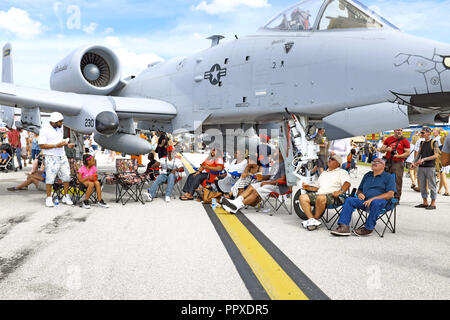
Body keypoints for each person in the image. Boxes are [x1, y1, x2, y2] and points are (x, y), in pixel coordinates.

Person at [330, 158, 396, 237]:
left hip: (381, 203)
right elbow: (360, 189)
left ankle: (368, 228)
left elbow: (390, 194)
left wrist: (373, 199)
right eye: (373, 161)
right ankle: (344, 227)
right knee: (350, 200)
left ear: (383, 166)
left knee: (376, 202)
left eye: (378, 162)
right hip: (365, 201)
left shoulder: (388, 177)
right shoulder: (367, 175)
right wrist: (359, 194)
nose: (374, 163)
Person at [221, 149, 287, 214]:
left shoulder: (283, 165)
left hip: (277, 186)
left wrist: (267, 182)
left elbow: (282, 179)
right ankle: (235, 202)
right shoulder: (275, 164)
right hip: (270, 183)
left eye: (275, 152)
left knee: (256, 190)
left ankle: (236, 206)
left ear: (280, 153)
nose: (273, 154)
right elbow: (269, 177)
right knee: (251, 186)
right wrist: (262, 177)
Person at [298, 154, 351, 231]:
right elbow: (317, 188)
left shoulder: (342, 172)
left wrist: (340, 191)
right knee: (302, 197)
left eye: (332, 159)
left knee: (321, 197)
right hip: (320, 194)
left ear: (338, 163)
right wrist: (307, 187)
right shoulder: (324, 173)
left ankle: (315, 220)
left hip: (334, 196)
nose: (329, 159)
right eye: (329, 158)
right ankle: (312, 220)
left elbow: (347, 183)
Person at [38, 112, 75, 208]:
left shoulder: (60, 128)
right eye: (60, 121)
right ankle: (49, 198)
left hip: (62, 155)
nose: (62, 123)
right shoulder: (44, 130)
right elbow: (41, 145)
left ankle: (66, 196)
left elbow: (59, 140)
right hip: (51, 156)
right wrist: (56, 145)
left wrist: (67, 144)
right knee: (50, 178)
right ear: (54, 121)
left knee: (67, 176)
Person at [411, 127, 440, 210]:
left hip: (430, 167)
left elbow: (436, 155)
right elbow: (419, 154)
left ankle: (433, 203)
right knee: (422, 185)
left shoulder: (434, 142)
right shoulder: (422, 143)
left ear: (428, 133)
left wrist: (424, 159)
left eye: (423, 133)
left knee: (432, 185)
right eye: (421, 133)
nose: (421, 134)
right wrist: (414, 162)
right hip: (421, 167)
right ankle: (425, 202)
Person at [380, 129, 410, 202]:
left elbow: (407, 153)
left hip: (398, 162)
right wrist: (387, 149)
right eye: (397, 130)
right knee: (386, 179)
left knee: (397, 180)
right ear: (394, 130)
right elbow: (381, 149)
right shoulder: (389, 139)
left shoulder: (404, 140)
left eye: (401, 130)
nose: (399, 132)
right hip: (388, 161)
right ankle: (386, 196)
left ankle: (396, 198)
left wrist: (398, 156)